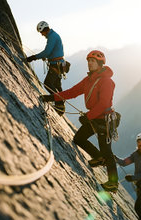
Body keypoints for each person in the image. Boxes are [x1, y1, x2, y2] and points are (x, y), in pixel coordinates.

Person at [40, 50, 118, 191]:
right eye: (88, 61)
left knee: (106, 150)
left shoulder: (107, 81)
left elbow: (104, 104)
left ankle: (113, 183)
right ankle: (99, 158)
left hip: (104, 120)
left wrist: (88, 117)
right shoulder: (89, 80)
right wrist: (51, 98)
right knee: (79, 139)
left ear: (100, 63)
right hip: (95, 117)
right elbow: (72, 92)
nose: (89, 63)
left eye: (92, 61)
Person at [26, 21, 65, 116]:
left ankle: (59, 103)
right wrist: (47, 56)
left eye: (41, 32)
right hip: (59, 64)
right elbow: (52, 51)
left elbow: (47, 52)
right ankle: (60, 107)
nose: (41, 35)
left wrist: (33, 57)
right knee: (57, 85)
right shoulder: (54, 35)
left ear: (44, 30)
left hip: (56, 64)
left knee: (48, 83)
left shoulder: (52, 37)